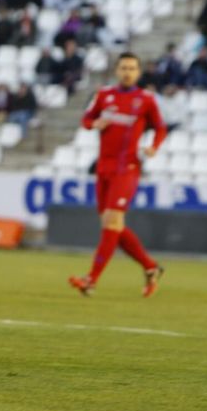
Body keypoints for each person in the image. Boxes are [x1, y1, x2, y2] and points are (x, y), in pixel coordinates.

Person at [69, 53, 167, 298]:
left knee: (112, 223)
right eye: (124, 67)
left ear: (138, 72)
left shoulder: (145, 99)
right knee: (113, 226)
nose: (128, 72)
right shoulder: (104, 95)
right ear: (116, 70)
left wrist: (154, 146)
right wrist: (94, 124)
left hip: (128, 169)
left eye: (132, 68)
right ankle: (151, 267)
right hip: (104, 168)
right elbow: (86, 119)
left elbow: (160, 127)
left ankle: (91, 280)